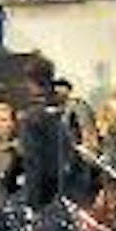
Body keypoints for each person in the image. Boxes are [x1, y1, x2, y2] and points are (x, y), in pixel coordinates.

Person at [17, 54, 73, 209]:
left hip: (44, 197)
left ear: (31, 82)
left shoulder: (32, 117)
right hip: (69, 191)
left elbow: (34, 163)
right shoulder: (66, 108)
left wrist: (32, 205)